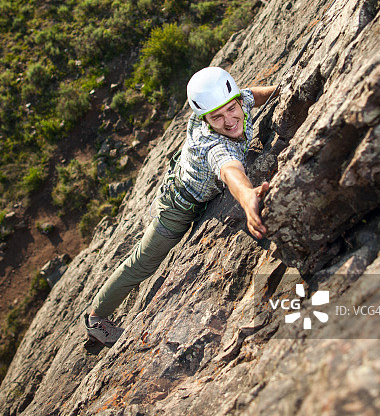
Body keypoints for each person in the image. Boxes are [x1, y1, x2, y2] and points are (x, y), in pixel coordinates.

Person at [84, 66, 278, 345]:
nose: (229, 120)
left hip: (189, 188)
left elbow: (252, 96)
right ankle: (95, 319)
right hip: (177, 209)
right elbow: (229, 169)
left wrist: (281, 91)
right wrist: (248, 197)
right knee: (142, 263)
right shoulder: (213, 143)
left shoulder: (230, 102)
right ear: (206, 119)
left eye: (231, 110)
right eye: (217, 118)